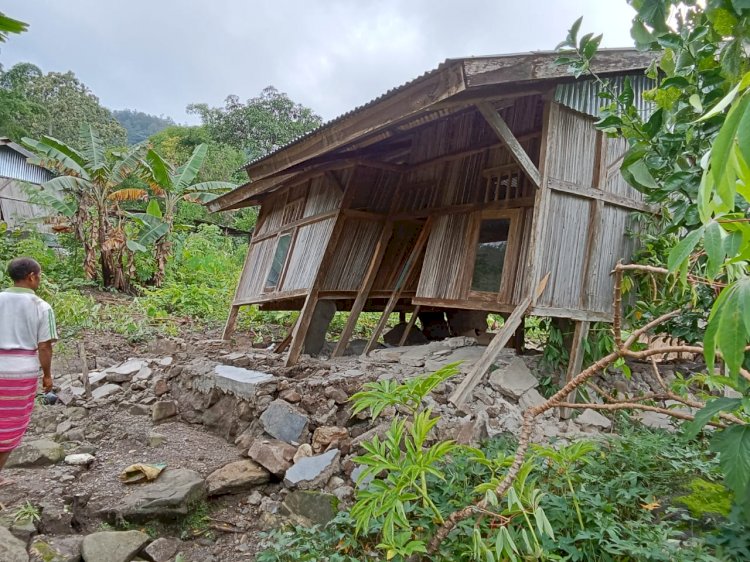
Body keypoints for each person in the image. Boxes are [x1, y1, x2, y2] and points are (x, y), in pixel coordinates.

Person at [0, 257, 57, 486]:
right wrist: (47, 375)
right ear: (32, 276)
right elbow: (44, 346)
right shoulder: (41, 307)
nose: (39, 280)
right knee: (10, 428)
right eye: (39, 276)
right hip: (19, 374)